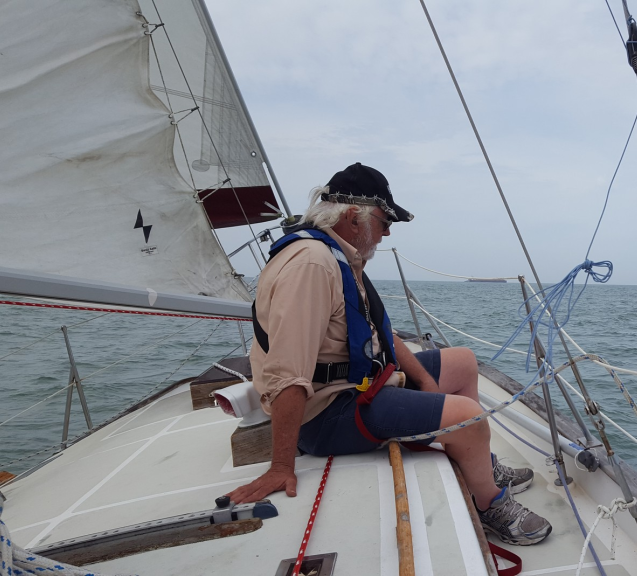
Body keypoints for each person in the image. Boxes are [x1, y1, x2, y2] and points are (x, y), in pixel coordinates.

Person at [227, 163, 551, 546]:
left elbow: (380, 332)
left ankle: (482, 466)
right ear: (352, 218)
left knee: (462, 361)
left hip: (358, 383)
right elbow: (287, 371)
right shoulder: (312, 265)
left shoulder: (338, 255)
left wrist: (428, 382)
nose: (387, 232)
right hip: (327, 413)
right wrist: (281, 466)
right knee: (467, 417)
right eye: (383, 222)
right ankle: (488, 504)